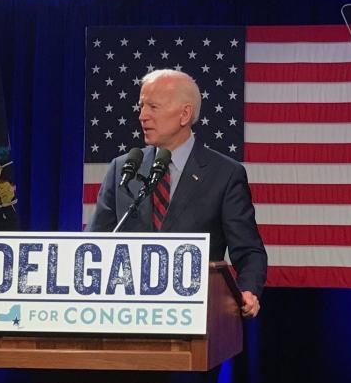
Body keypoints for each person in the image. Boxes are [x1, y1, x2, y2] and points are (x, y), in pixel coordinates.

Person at [88, 68, 267, 314]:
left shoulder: (225, 174)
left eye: (153, 107)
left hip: (192, 316)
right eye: (141, 106)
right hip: (125, 314)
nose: (143, 116)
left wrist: (247, 291)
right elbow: (96, 243)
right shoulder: (123, 168)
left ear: (185, 114)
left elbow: (249, 251)